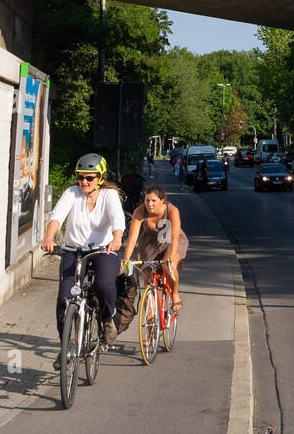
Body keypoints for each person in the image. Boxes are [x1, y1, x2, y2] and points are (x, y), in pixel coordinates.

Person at [41, 153, 125, 369]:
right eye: (80, 177)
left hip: (103, 250)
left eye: (89, 178)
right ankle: (66, 347)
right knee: (64, 299)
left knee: (103, 285)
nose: (84, 182)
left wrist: (116, 239)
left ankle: (108, 319)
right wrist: (49, 238)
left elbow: (117, 219)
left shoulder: (109, 196)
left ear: (100, 178)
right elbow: (56, 216)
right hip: (72, 250)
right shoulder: (72, 192)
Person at [115, 185, 189, 333]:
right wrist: (126, 260)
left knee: (168, 266)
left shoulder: (172, 211)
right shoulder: (140, 211)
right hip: (150, 243)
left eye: (154, 201)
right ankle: (150, 332)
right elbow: (132, 238)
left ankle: (174, 294)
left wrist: (172, 259)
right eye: (147, 200)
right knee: (148, 282)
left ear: (162, 200)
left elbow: (174, 236)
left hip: (172, 242)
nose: (150, 204)